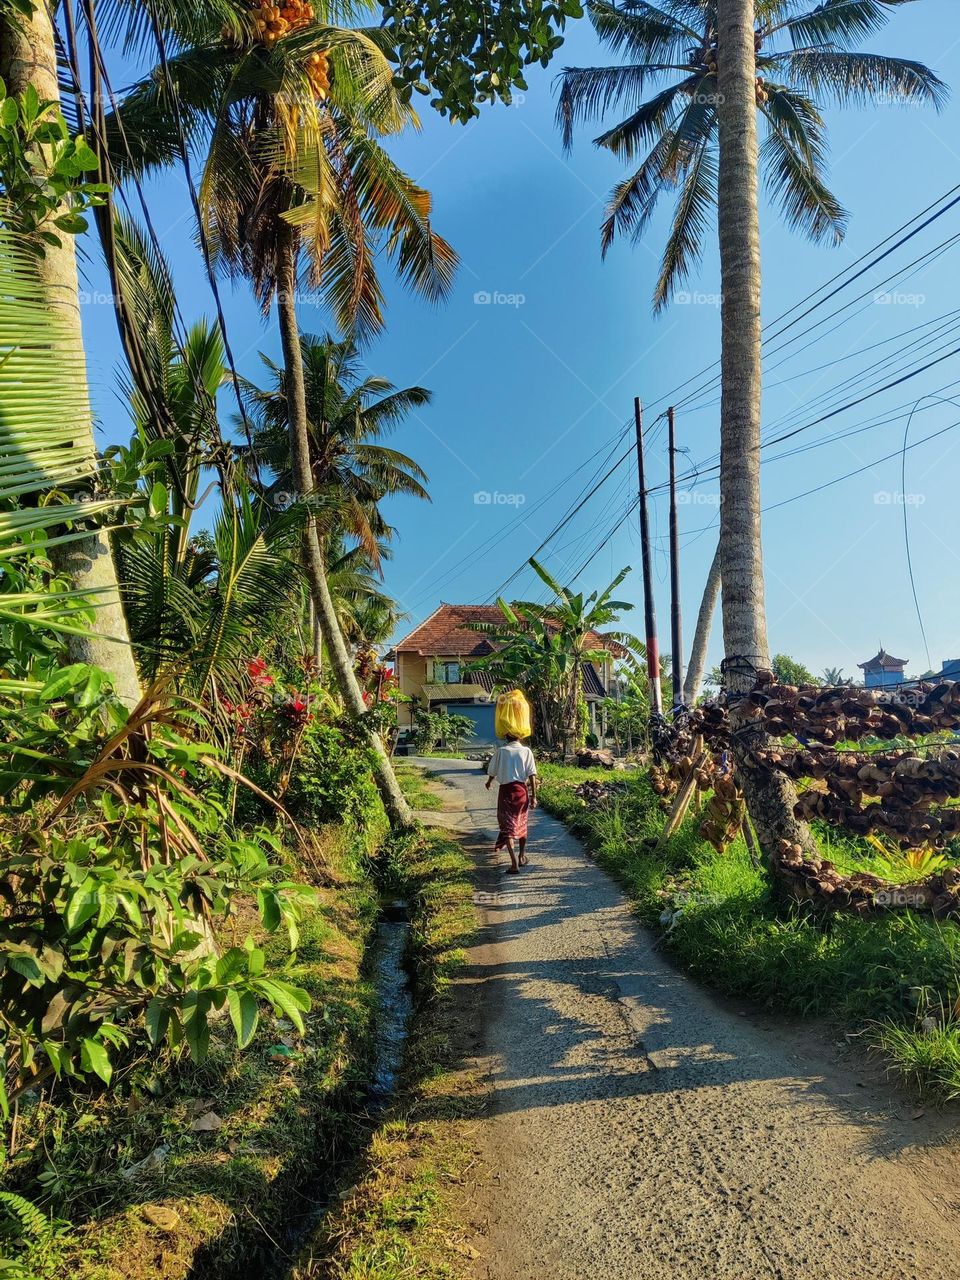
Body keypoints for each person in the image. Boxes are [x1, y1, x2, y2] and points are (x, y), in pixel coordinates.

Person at [485, 734, 538, 873]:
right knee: (522, 823)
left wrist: (489, 781)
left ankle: (514, 863)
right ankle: (521, 855)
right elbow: (532, 774)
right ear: (520, 736)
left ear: (506, 737)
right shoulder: (526, 751)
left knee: (507, 827)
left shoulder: (501, 751)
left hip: (506, 792)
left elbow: (493, 770)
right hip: (521, 792)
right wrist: (533, 796)